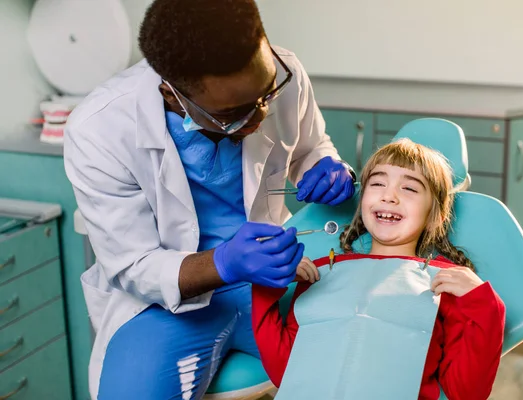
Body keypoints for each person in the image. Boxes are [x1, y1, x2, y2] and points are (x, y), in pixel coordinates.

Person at [63, 0, 357, 398]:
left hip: (275, 276)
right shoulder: (99, 129)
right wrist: (224, 263)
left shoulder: (283, 71)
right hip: (166, 305)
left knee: (363, 368)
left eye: (266, 93)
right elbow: (132, 264)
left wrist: (325, 166)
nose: (260, 115)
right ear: (173, 95)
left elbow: (309, 147)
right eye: (234, 113)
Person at [252, 139, 507, 400]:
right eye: (377, 183)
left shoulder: (444, 284)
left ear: (436, 216)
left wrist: (485, 306)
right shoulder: (318, 275)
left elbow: (465, 393)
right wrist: (269, 284)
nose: (389, 195)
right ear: (362, 202)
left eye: (409, 188)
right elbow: (286, 373)